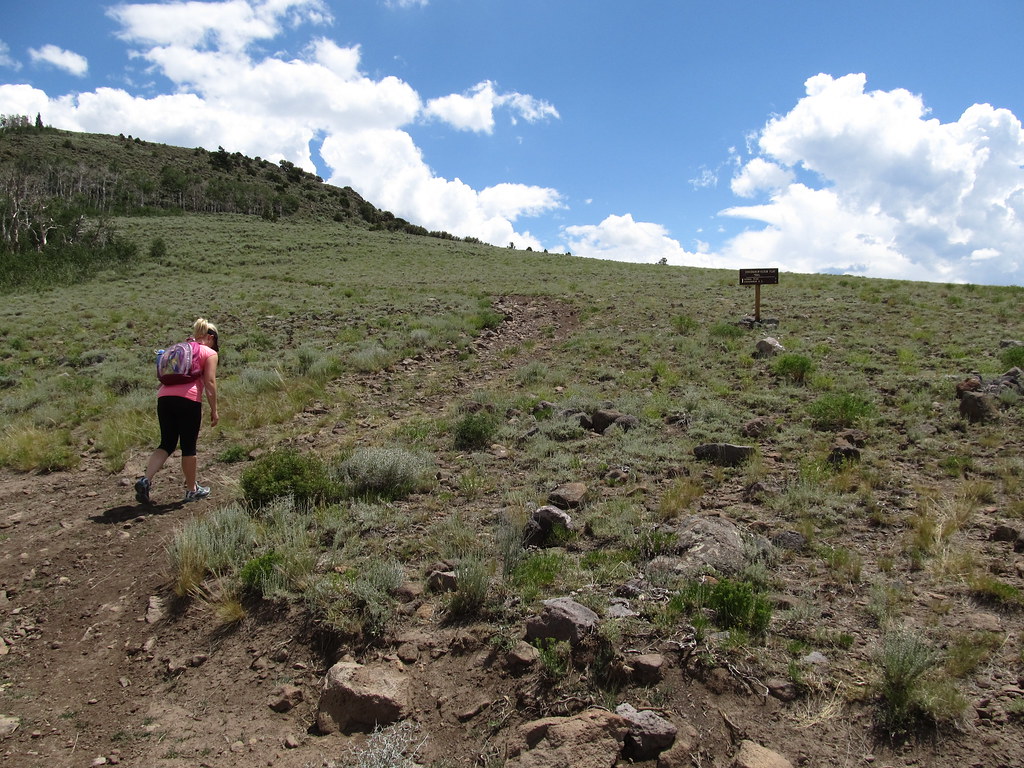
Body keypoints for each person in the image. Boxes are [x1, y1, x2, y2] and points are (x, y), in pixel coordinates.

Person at [134, 318, 220, 503]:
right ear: (211, 337)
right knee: (188, 446)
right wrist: (214, 410)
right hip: (188, 399)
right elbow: (210, 383)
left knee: (167, 442)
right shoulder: (209, 352)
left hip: (164, 398)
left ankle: (145, 480)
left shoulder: (181, 348)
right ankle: (192, 490)